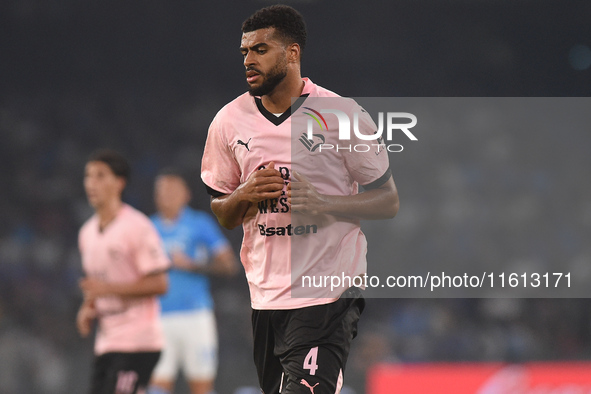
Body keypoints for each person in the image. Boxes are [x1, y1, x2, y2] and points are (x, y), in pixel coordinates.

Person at [200, 5, 399, 394]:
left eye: (260, 49)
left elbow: (387, 201)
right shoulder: (228, 121)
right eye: (244, 52)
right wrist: (244, 194)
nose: (248, 60)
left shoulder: (340, 113)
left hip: (328, 291)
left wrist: (325, 204)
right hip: (266, 296)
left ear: (292, 53)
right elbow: (223, 213)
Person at [77, 149, 170, 394]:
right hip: (107, 342)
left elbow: (160, 284)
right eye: (88, 176)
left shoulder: (137, 227)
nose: (91, 183)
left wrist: (106, 290)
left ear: (119, 183)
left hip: (138, 342)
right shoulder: (86, 233)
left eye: (100, 176)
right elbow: (96, 284)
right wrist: (88, 307)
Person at [148, 168, 238, 394]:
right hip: (158, 317)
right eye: (162, 192)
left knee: (201, 387)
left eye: (173, 191)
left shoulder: (200, 224)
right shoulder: (147, 229)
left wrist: (193, 265)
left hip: (196, 316)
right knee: (157, 387)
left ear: (185, 195)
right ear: (155, 197)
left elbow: (229, 265)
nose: (167, 196)